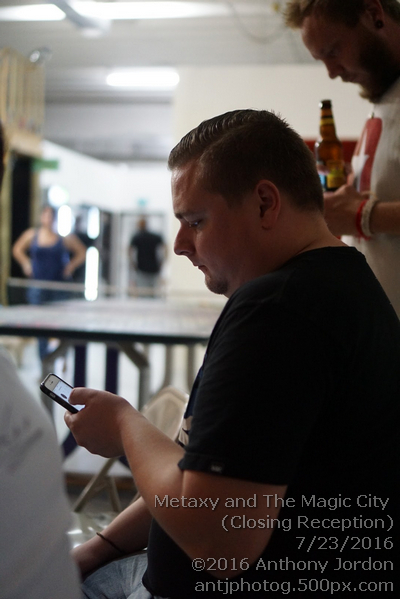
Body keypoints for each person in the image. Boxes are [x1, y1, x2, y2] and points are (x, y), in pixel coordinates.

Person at [65, 110, 399, 598]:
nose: (180, 245)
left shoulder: (277, 311)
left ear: (265, 204)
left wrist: (123, 426)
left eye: (195, 222)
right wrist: (101, 548)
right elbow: (207, 469)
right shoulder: (343, 283)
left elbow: (218, 539)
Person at [0, 123, 81, 598]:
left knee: (47, 358)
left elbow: (77, 252)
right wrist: (28, 264)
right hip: (35, 298)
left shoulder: (16, 417)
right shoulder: (32, 235)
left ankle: (51, 362)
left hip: (54, 300)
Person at [284, 0, 400, 315]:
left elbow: (365, 214)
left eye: (333, 51)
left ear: (373, 14)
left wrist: (363, 216)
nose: (332, 72)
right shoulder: (385, 97)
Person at [12, 204, 86, 358]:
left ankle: (62, 357)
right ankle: (44, 362)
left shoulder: (64, 238)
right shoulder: (32, 235)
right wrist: (26, 263)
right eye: (45, 215)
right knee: (40, 328)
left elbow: (82, 252)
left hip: (59, 288)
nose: (48, 218)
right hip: (38, 287)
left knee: (61, 327)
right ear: (41, 217)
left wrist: (71, 266)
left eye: (51, 215)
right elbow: (17, 249)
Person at [129, 218, 165, 297]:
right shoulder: (153, 236)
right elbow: (165, 247)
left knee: (143, 294)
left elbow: (129, 250)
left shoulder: (137, 237)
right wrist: (162, 262)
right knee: (153, 294)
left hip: (143, 269)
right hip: (152, 268)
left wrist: (132, 263)